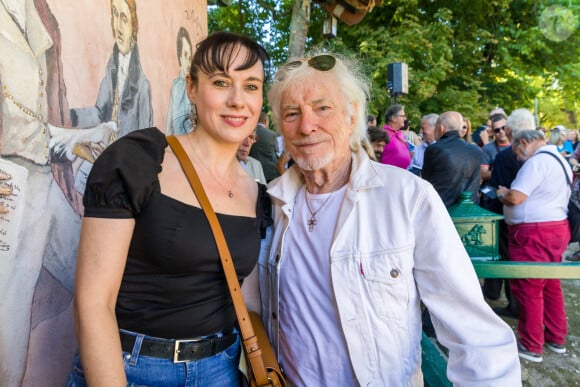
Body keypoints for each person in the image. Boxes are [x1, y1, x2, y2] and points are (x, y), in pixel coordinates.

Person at [262, 52, 520, 385]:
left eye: (323, 108)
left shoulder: (408, 197)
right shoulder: (270, 201)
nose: (306, 125)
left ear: (352, 114)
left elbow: (475, 334)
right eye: (291, 113)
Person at [66, 31, 271, 386]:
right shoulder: (139, 161)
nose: (238, 100)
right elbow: (93, 302)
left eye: (251, 86)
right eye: (221, 82)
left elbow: (248, 304)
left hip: (221, 371)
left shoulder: (259, 193)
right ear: (191, 87)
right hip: (131, 369)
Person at [497, 129, 570, 363]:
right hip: (555, 228)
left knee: (529, 287)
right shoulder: (559, 160)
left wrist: (502, 193)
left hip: (534, 233)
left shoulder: (537, 163)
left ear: (525, 142)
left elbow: (516, 197)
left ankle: (531, 344)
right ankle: (556, 337)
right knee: (550, 284)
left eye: (518, 150)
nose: (518, 156)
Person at [422, 112, 482, 207]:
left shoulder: (434, 149)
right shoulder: (476, 150)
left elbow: (426, 182)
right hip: (470, 209)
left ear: (441, 128)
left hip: (443, 209)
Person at [166, 26, 193, 135]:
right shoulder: (176, 85)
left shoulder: (195, 85)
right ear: (179, 58)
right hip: (177, 144)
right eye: (185, 55)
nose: (188, 61)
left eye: (190, 56)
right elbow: (169, 118)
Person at [249, 111, 280, 182]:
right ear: (266, 121)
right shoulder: (272, 134)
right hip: (271, 174)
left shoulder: (249, 132)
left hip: (253, 173)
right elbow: (277, 152)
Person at [379, 104, 411, 169]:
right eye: (402, 116)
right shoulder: (383, 134)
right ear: (393, 118)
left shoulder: (400, 134)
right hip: (388, 175)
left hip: (402, 174)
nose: (405, 119)